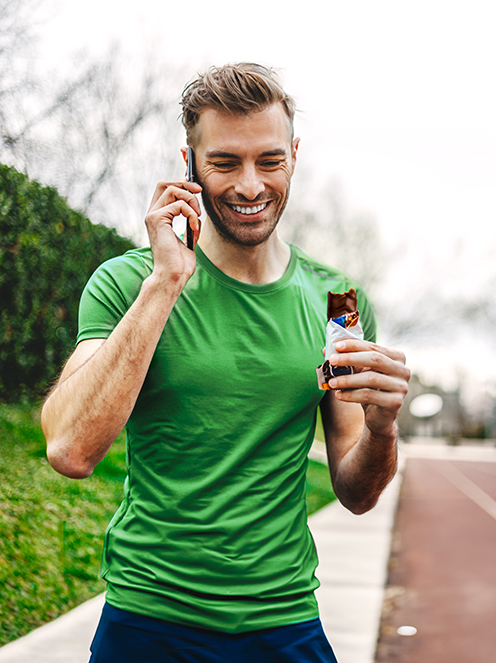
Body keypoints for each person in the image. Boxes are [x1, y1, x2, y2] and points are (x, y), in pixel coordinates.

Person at [41, 62, 410, 663]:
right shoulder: (129, 282)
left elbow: (357, 490)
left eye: (269, 161)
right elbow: (70, 451)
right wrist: (165, 283)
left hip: (284, 619)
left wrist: (382, 427)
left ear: (293, 156)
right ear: (189, 163)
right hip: (149, 619)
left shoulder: (338, 302)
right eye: (224, 162)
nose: (249, 185)